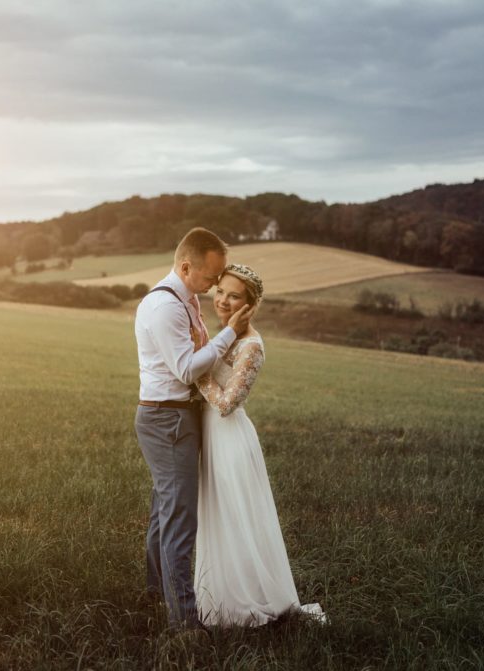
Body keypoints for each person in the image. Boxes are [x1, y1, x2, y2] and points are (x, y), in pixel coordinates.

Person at [133, 227, 255, 630]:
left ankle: (156, 594)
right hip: (167, 418)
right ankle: (184, 621)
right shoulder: (165, 307)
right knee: (180, 519)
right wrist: (229, 335)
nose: (215, 287)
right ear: (186, 266)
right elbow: (185, 367)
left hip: (174, 416)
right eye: (209, 278)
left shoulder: (184, 300)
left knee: (165, 512)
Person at [194, 264, 325, 627]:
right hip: (211, 438)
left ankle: (245, 602)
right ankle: (217, 597)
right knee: (217, 518)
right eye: (220, 291)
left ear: (250, 304)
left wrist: (196, 371)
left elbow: (226, 404)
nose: (222, 300)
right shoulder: (223, 335)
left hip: (230, 440)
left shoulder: (251, 345)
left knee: (236, 519)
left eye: (234, 295)